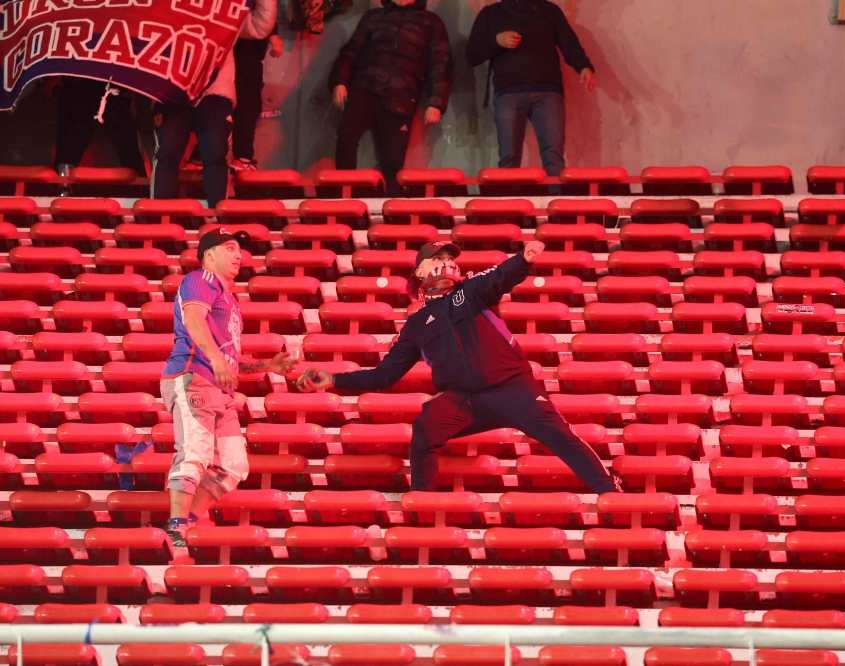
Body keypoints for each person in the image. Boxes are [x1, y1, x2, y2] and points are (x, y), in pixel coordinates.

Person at [296, 241, 622, 495]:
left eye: (449, 257)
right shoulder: (416, 324)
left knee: (561, 437)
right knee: (426, 427)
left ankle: (611, 491)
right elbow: (385, 375)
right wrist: (334, 378)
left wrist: (524, 259)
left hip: (514, 388)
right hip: (464, 400)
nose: (446, 263)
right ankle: (423, 507)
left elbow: (500, 276)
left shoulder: (472, 291)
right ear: (420, 274)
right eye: (437, 259)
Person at [161, 228, 298, 548]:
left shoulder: (228, 299)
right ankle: (176, 528)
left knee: (233, 464)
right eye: (230, 248)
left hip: (217, 387)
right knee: (194, 451)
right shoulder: (202, 278)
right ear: (209, 255)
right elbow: (193, 320)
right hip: (193, 375)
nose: (239, 255)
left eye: (240, 250)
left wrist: (268, 366)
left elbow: (230, 358)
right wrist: (217, 362)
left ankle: (187, 525)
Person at [150, 0, 277, 207]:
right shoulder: (162, 6)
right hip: (171, 88)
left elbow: (260, 26)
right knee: (167, 153)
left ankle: (219, 222)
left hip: (215, 92)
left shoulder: (223, 10)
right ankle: (156, 223)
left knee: (216, 154)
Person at [327, 0, 452, 197]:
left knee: (393, 163)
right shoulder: (374, 17)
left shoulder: (431, 22)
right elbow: (350, 51)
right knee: (346, 137)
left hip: (401, 97)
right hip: (365, 88)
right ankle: (344, 199)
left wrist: (436, 102)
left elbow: (441, 63)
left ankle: (392, 213)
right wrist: (339, 82)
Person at [466, 0, 595, 178]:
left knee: (553, 158)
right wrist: (495, 41)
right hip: (508, 92)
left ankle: (556, 202)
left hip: (548, 91)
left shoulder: (549, 10)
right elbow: (471, 55)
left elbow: (569, 44)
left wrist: (584, 67)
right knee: (509, 158)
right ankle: (510, 205)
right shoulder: (491, 14)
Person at [53, 77, 147, 177]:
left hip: (110, 81)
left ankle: (142, 188)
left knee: (129, 148)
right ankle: (62, 188)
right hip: (80, 82)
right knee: (68, 152)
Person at [230, 26, 285, 171]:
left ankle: (198, 159)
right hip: (245, 51)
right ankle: (243, 159)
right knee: (247, 106)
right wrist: (273, 34)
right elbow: (260, 6)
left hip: (221, 50)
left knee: (220, 107)